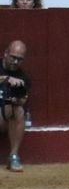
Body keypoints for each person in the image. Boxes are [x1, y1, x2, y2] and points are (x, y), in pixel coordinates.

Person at [1, 40, 30, 172]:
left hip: (3, 118)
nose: (15, 62)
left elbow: (23, 101)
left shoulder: (23, 78)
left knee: (18, 111)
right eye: (13, 57)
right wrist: (6, 79)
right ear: (5, 54)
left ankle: (13, 156)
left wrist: (16, 100)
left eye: (19, 59)